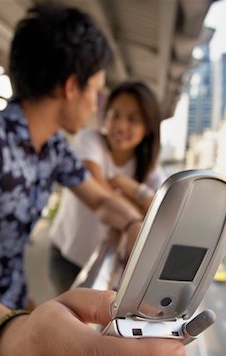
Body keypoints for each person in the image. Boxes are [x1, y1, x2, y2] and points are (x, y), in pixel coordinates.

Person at [0, 3, 185, 356]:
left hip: (12, 296)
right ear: (70, 86)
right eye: (97, 92)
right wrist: (10, 340)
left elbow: (101, 202)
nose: (98, 107)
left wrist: (135, 226)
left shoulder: (53, 151)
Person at [49, 80, 165, 294]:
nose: (121, 125)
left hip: (111, 267)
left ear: (148, 127)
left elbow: (163, 216)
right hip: (68, 257)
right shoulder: (88, 140)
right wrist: (137, 208)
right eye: (115, 115)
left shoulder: (151, 171)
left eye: (133, 119)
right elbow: (97, 191)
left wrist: (124, 184)